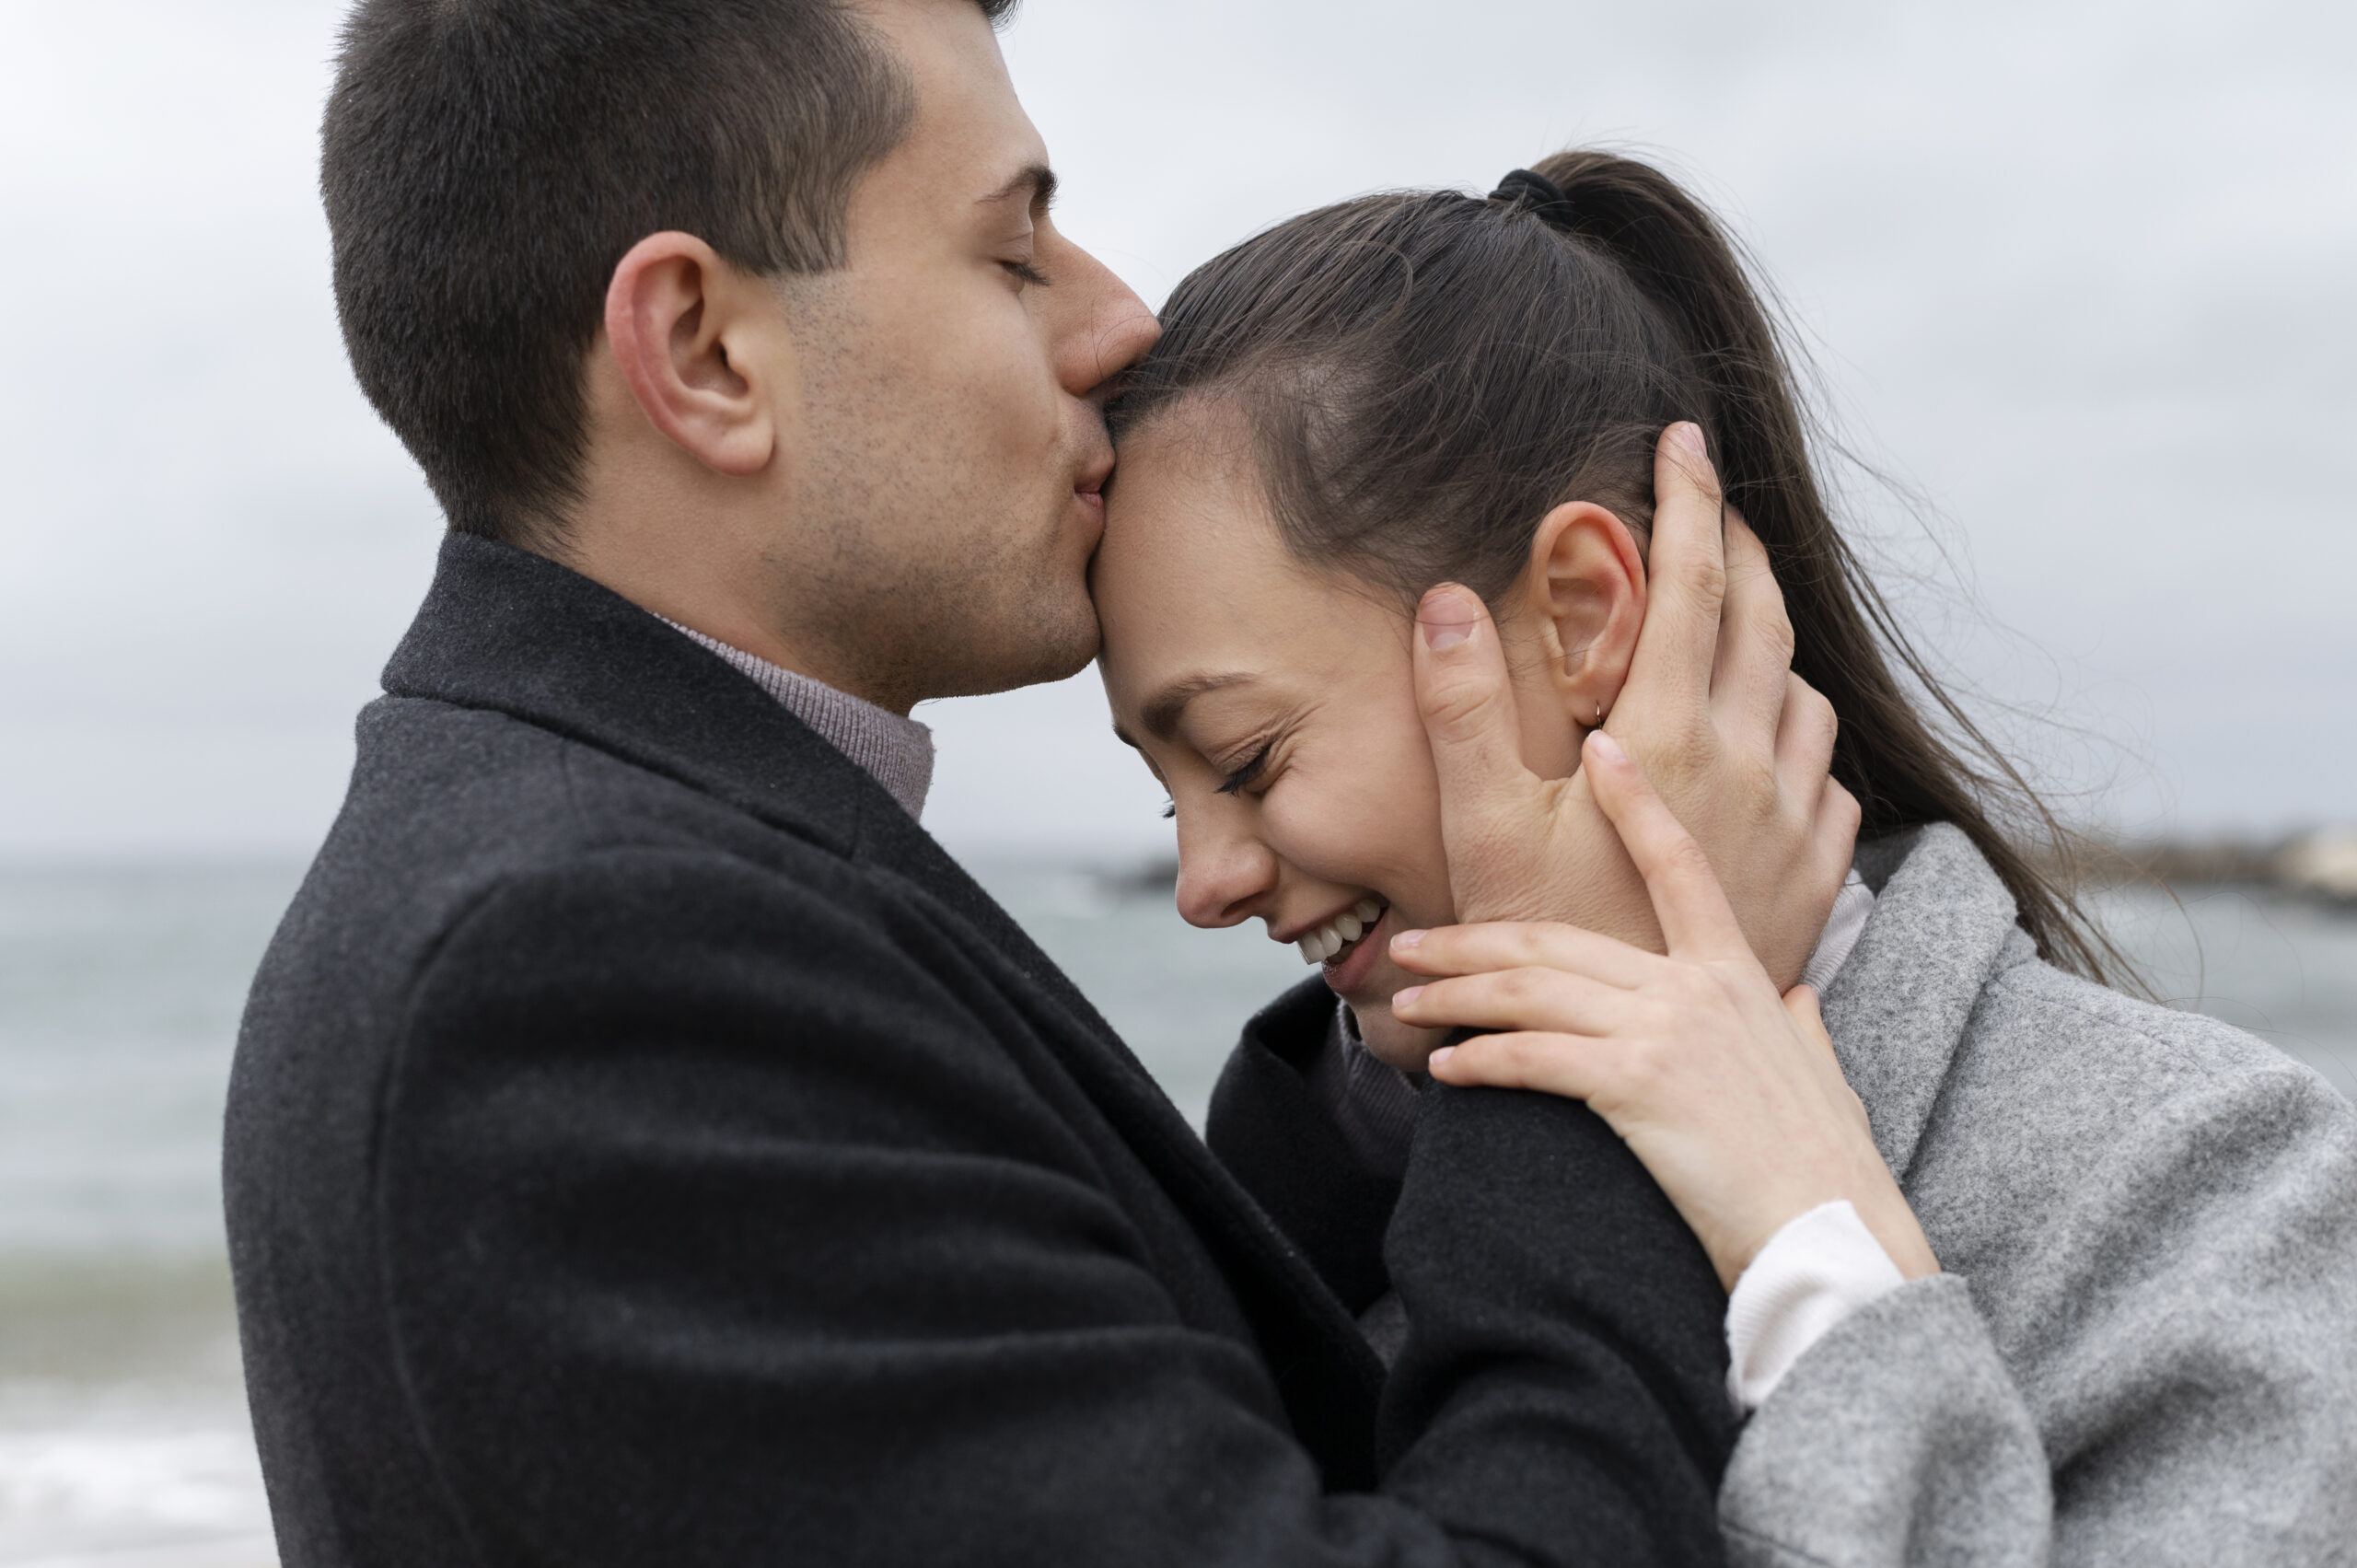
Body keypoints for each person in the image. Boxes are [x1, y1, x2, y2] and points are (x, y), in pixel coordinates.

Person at [226, 5, 1872, 1563]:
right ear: (706, 349)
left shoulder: (618, 870)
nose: (1118, 322)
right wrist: (1597, 1015)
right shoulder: (575, 973)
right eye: (1012, 251)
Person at [1092, 150, 2357, 1564]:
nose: (1205, 882)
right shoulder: (1257, 1225)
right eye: (1168, 799)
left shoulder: (2204, 1179)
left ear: (1581, 614)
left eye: (1249, 760)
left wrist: (1817, 1266)